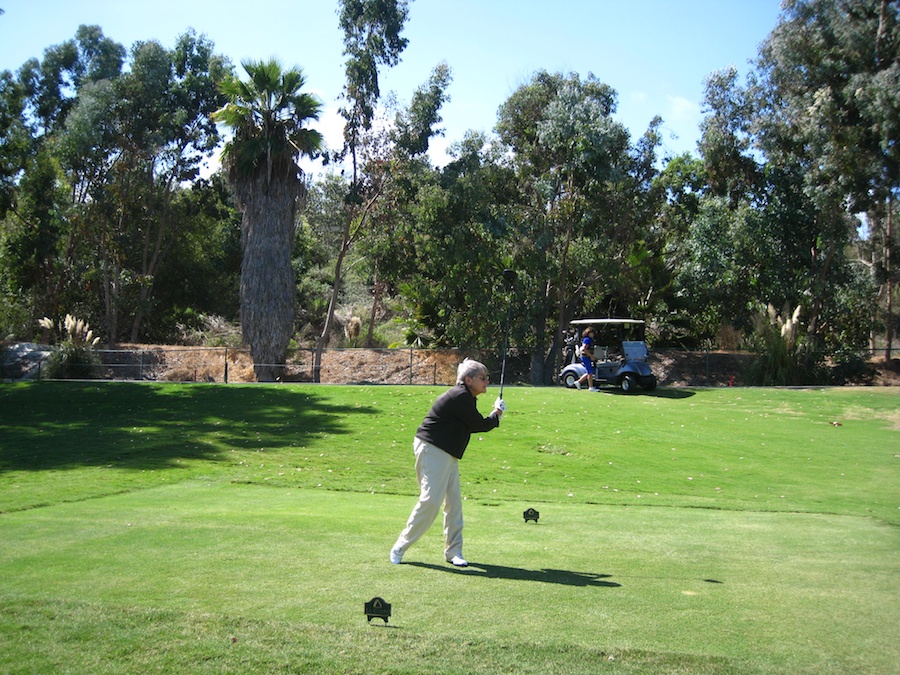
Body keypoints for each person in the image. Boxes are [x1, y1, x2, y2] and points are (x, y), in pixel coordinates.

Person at [390, 358, 505, 567]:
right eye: (482, 377)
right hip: (433, 449)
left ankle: (453, 552)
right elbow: (479, 424)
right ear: (468, 380)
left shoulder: (467, 397)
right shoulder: (460, 396)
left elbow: (473, 424)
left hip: (448, 454)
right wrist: (496, 414)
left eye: (487, 377)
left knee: (454, 505)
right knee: (431, 501)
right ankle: (401, 545)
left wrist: (495, 415)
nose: (486, 381)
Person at [575, 326, 600, 391]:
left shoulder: (588, 339)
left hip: (586, 357)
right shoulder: (588, 339)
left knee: (589, 371)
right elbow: (584, 349)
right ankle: (591, 387)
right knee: (590, 372)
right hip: (586, 357)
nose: (593, 334)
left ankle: (578, 382)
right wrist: (591, 356)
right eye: (592, 333)